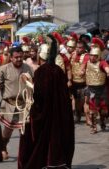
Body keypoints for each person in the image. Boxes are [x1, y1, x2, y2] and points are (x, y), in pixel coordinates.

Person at [18, 34, 75, 169]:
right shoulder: (58, 71)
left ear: (40, 56)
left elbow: (39, 95)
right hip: (59, 114)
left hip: (46, 115)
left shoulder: (41, 72)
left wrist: (28, 82)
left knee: (36, 139)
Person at [0, 46, 33, 160]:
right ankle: (3, 147)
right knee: (8, 130)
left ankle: (25, 152)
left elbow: (33, 86)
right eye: (16, 57)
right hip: (8, 104)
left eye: (21, 57)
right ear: (11, 57)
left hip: (24, 105)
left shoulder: (28, 68)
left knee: (24, 129)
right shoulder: (3, 69)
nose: (19, 59)